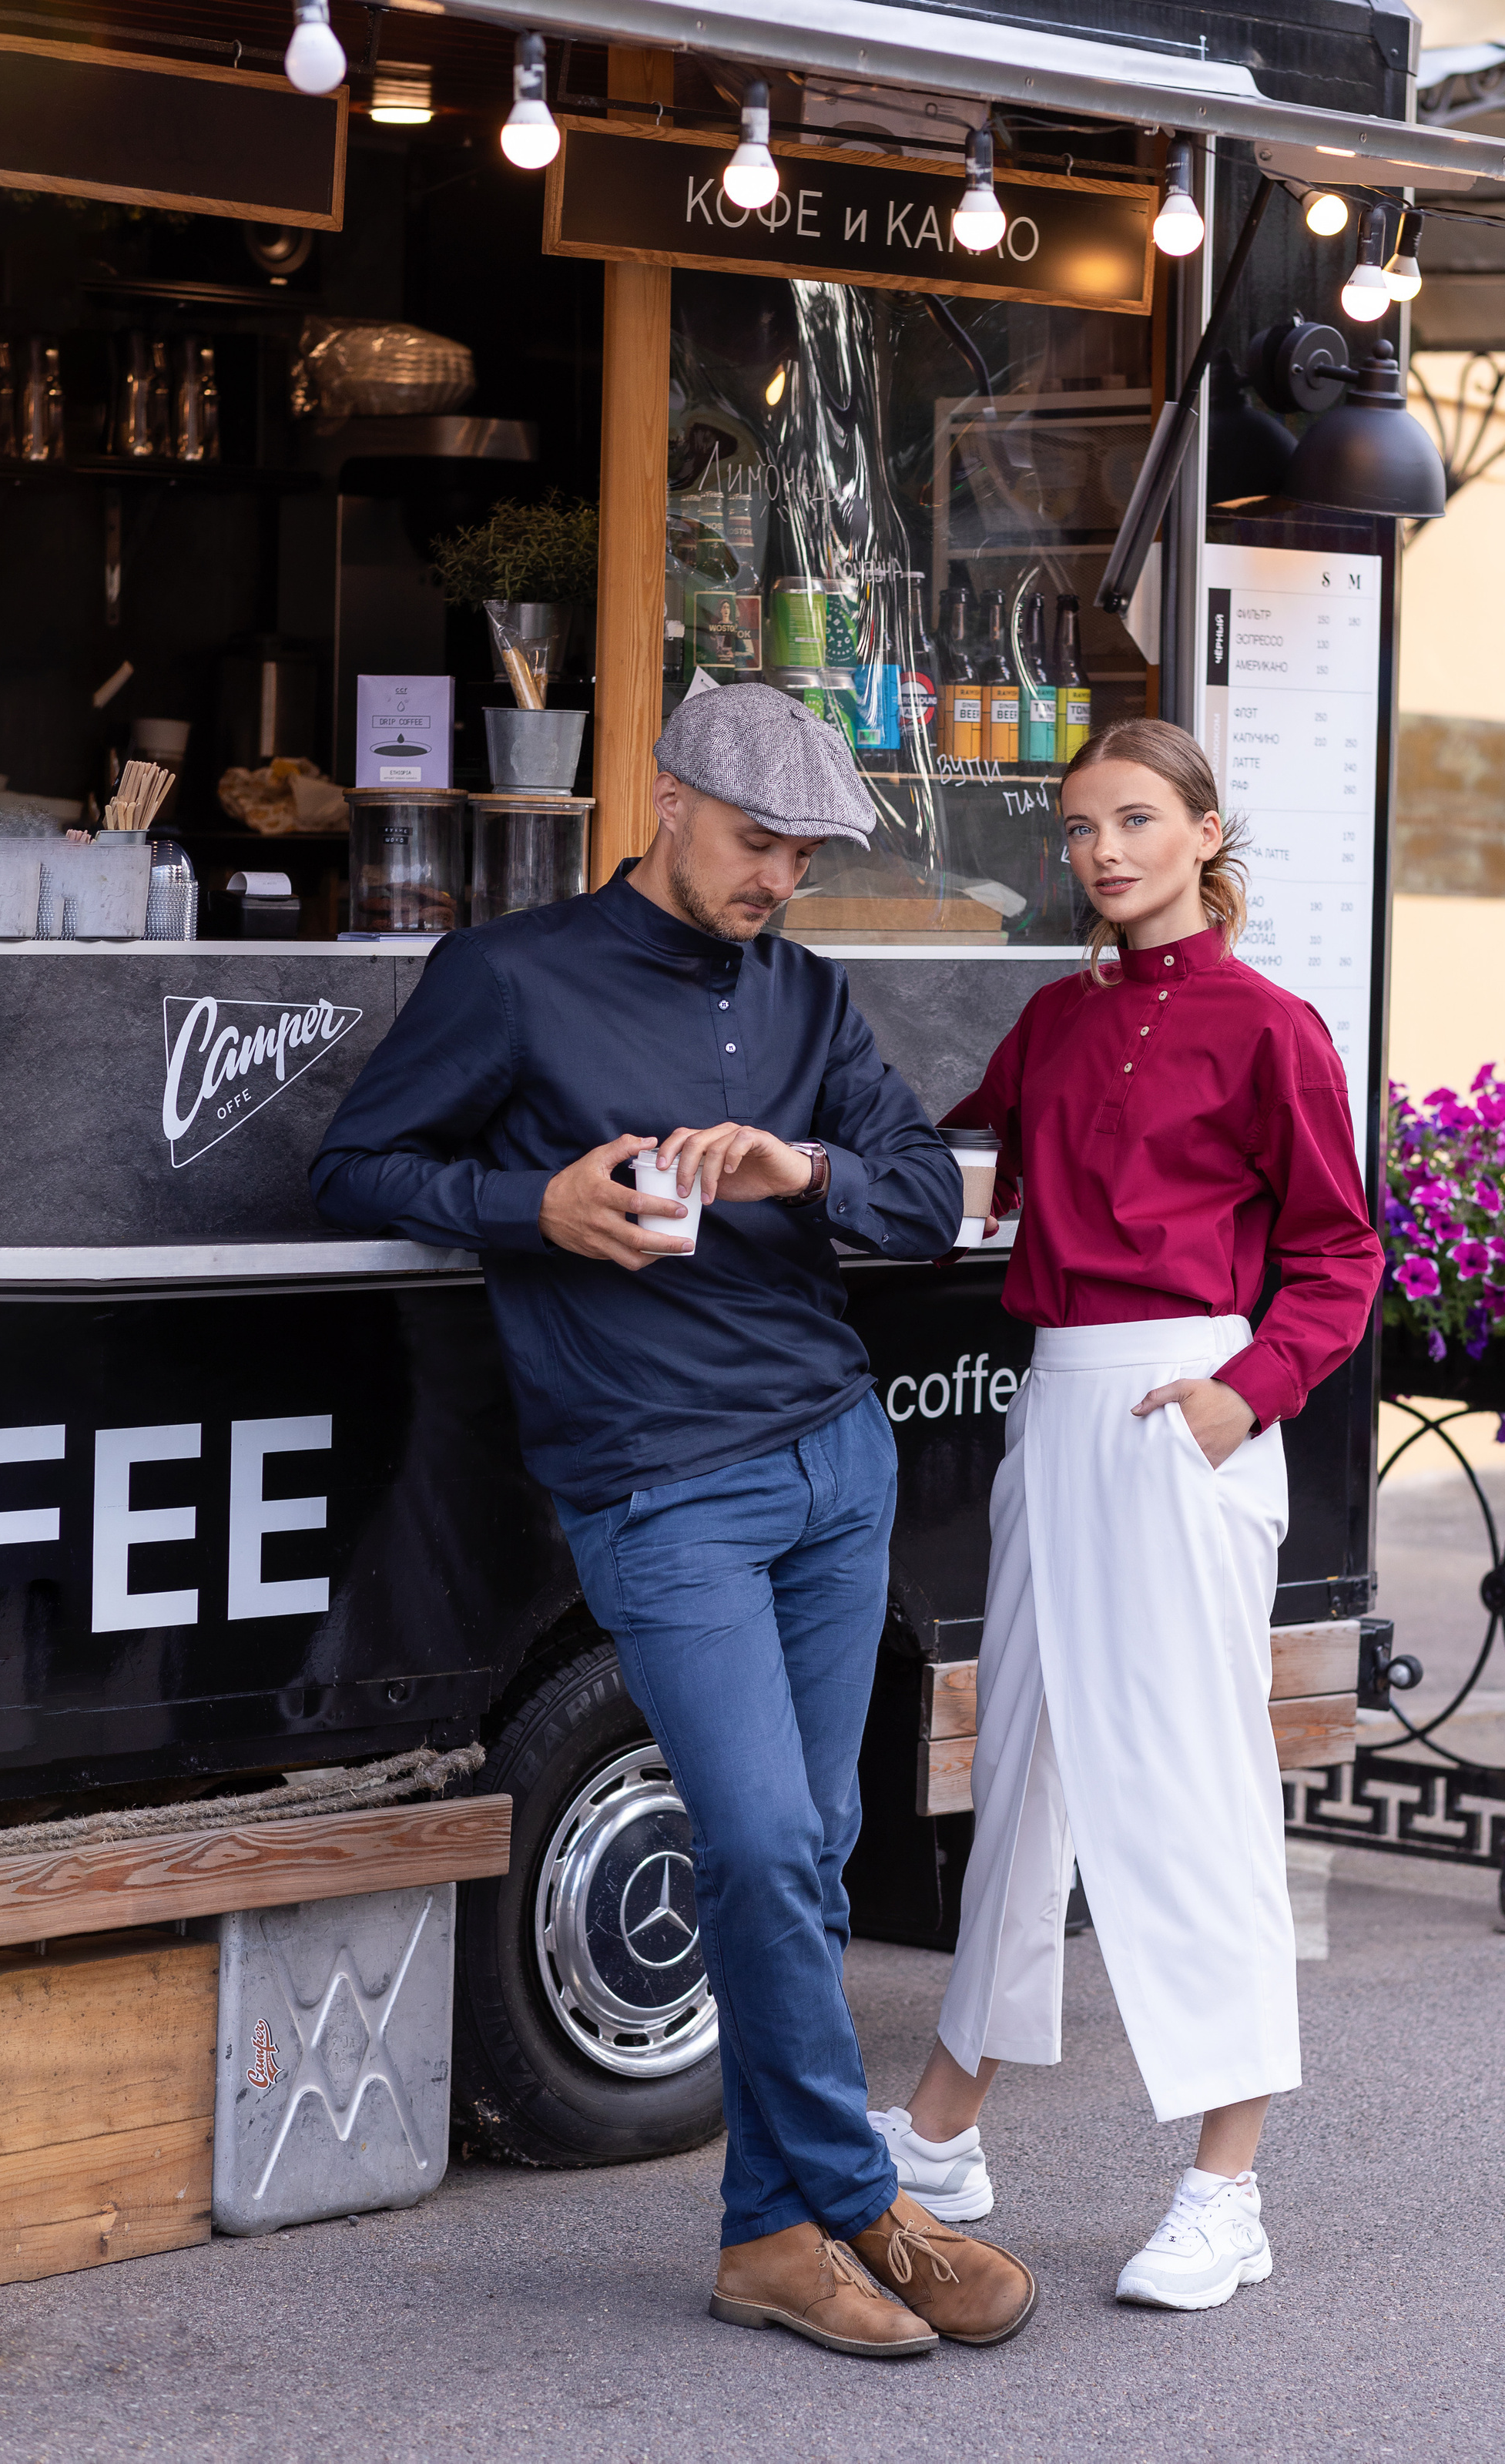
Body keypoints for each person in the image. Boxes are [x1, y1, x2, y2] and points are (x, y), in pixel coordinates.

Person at [311, 681, 1038, 2361]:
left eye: (800, 852)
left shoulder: (804, 993)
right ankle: (859, 2197)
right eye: (751, 839)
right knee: (770, 1845)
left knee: (812, 1854)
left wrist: (804, 1169)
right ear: (666, 798)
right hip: (659, 1483)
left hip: (830, 1459)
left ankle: (766, 2240)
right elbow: (354, 1167)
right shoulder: (507, 979)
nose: (773, 876)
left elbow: (928, 1198)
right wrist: (534, 1204)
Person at [870, 718, 1383, 2311]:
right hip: (1061, 1401)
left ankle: (1226, 2187)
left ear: (1206, 834)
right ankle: (943, 2133)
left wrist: (1247, 1391)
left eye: (1135, 819)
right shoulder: (1051, 1021)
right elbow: (952, 1155)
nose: (1099, 851)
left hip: (1187, 1406)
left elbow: (1339, 1253)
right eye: (1080, 826)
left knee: (1185, 1776)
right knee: (1020, 1759)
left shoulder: (1272, 1029)